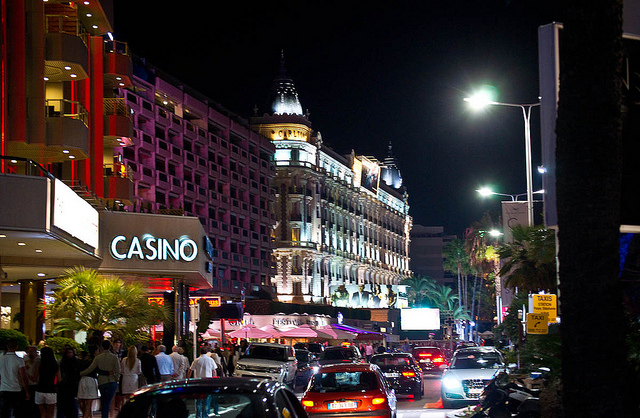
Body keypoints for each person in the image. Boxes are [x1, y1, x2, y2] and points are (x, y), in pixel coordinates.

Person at [80, 340, 120, 418]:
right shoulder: (114, 357)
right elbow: (118, 370)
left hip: (102, 381)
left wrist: (81, 373)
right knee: (108, 402)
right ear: (110, 347)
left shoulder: (98, 358)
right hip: (112, 381)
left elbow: (91, 368)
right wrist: (116, 380)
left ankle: (104, 416)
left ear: (102, 347)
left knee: (104, 402)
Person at [0, 339, 30, 418]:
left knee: (4, 411)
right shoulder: (19, 360)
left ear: (7, 346)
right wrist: (27, 391)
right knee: (17, 411)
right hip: (16, 389)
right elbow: (23, 376)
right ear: (16, 347)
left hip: (3, 388)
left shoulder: (1, 359)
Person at [34, 346, 59, 418]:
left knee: (42, 413)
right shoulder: (55, 365)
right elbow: (59, 379)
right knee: (50, 414)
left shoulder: (39, 365)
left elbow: (34, 378)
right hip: (51, 390)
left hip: (40, 389)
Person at [57, 346, 80, 418]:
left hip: (72, 385)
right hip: (65, 385)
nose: (69, 354)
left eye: (70, 352)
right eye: (68, 353)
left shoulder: (75, 362)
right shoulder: (63, 363)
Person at [77, 345, 100, 418]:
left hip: (82, 380)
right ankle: (86, 416)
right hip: (91, 380)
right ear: (95, 351)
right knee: (89, 402)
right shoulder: (95, 359)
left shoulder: (84, 359)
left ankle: (88, 415)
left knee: (83, 401)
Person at [24, 345, 40, 417]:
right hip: (27, 384)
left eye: (32, 351)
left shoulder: (39, 360)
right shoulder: (25, 359)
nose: (30, 353)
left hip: (36, 384)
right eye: (29, 351)